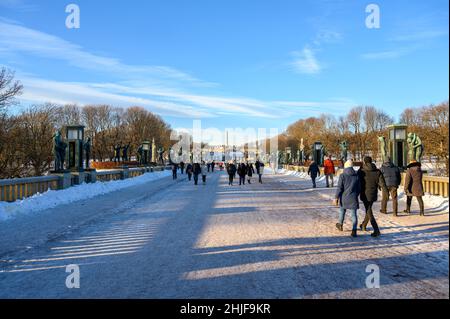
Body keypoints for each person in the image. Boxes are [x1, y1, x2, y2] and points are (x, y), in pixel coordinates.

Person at [358, 156, 388, 237]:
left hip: (364, 194)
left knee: (369, 211)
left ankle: (376, 229)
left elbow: (357, 183)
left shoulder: (361, 171)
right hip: (373, 194)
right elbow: (382, 184)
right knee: (369, 209)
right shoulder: (377, 171)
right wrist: (386, 194)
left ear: (364, 162)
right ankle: (364, 225)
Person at [334, 160, 361, 238]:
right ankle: (354, 230)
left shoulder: (343, 175)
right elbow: (359, 188)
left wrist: (336, 197)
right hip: (353, 197)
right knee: (354, 214)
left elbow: (339, 188)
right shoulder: (356, 176)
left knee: (342, 211)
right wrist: (356, 194)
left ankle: (340, 224)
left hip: (344, 197)